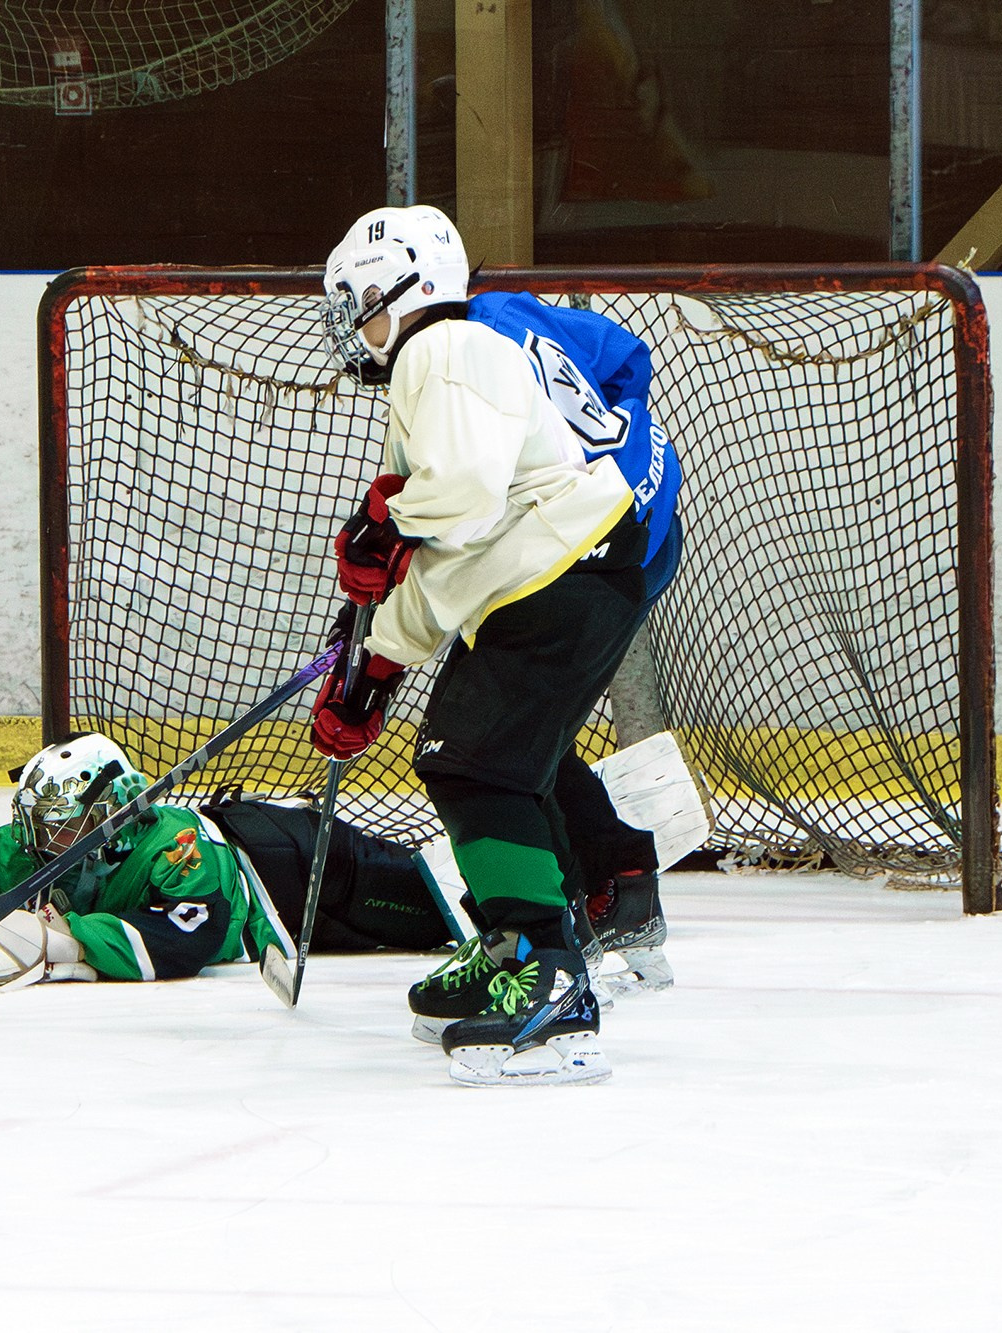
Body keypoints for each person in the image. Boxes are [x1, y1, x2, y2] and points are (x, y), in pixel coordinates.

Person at [310, 204, 648, 1086]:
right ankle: (521, 948)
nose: (355, 321)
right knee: (477, 759)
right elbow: (450, 559)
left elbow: (455, 501)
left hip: (566, 574)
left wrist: (389, 523)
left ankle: (550, 976)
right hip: (554, 577)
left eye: (361, 300)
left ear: (409, 288)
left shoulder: (441, 351)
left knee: (476, 764)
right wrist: (377, 665)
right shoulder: (443, 369)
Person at [0, 733, 461, 988]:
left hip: (296, 869)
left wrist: (68, 943)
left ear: (109, 813)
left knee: (441, 913)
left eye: (60, 822)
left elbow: (192, 937)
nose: (40, 837)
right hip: (270, 867)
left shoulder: (176, 844)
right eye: (38, 821)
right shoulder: (35, 841)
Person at [459, 285, 687, 1000]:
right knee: (527, 727)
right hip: (642, 520)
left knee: (503, 735)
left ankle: (581, 910)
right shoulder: (505, 312)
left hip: (593, 544)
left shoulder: (464, 353)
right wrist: (614, 445)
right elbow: (625, 356)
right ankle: (610, 892)